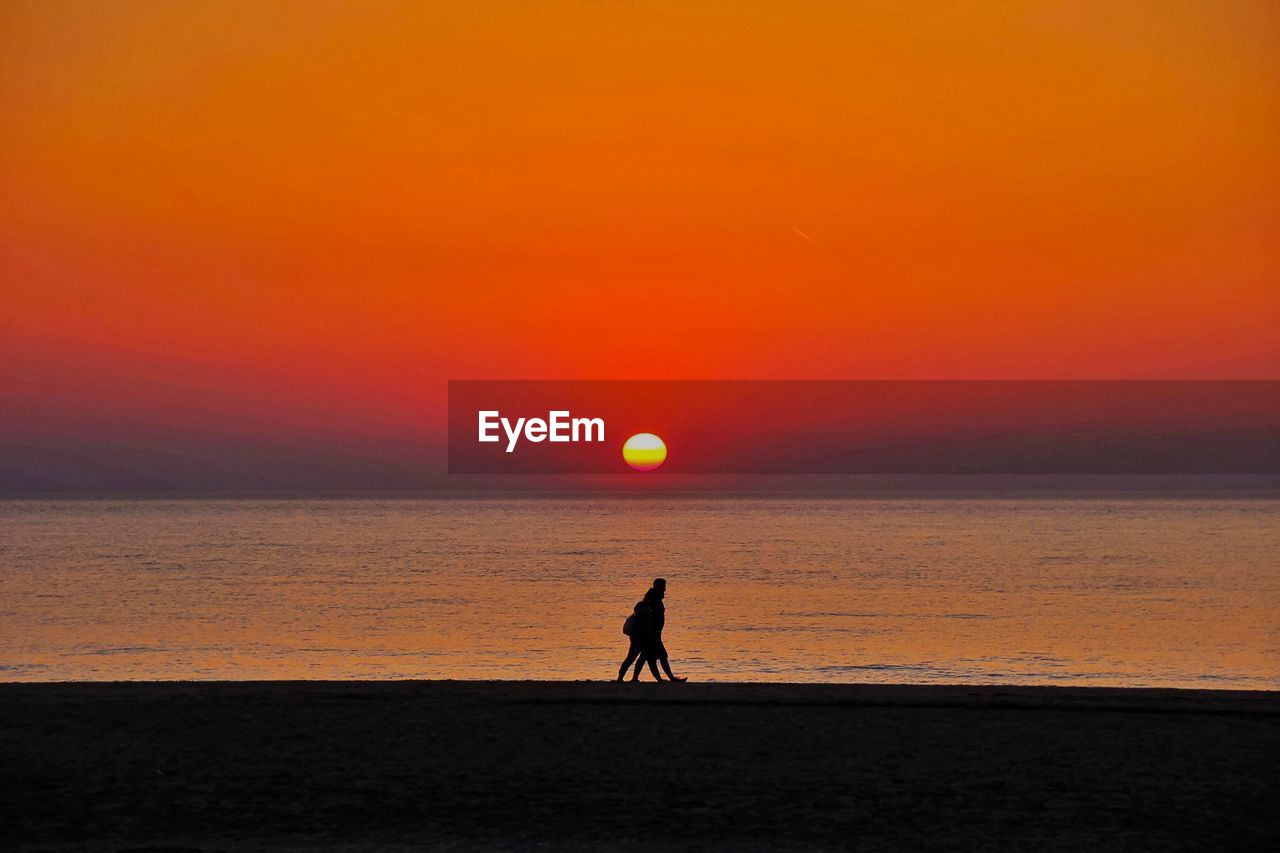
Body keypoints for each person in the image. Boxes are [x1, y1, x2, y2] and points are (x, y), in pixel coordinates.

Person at [632, 577, 687, 682]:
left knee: (647, 656)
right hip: (651, 634)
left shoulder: (655, 599)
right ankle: (668, 678)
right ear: (659, 587)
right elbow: (648, 616)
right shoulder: (652, 600)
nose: (665, 589)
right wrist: (650, 632)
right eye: (663, 587)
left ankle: (641, 678)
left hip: (655, 633)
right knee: (658, 655)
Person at [617, 591, 663, 682]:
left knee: (647, 657)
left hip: (644, 637)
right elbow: (640, 623)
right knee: (632, 657)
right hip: (638, 637)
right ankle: (620, 678)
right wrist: (647, 634)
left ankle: (635, 678)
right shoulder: (641, 606)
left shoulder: (648, 607)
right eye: (653, 599)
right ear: (650, 598)